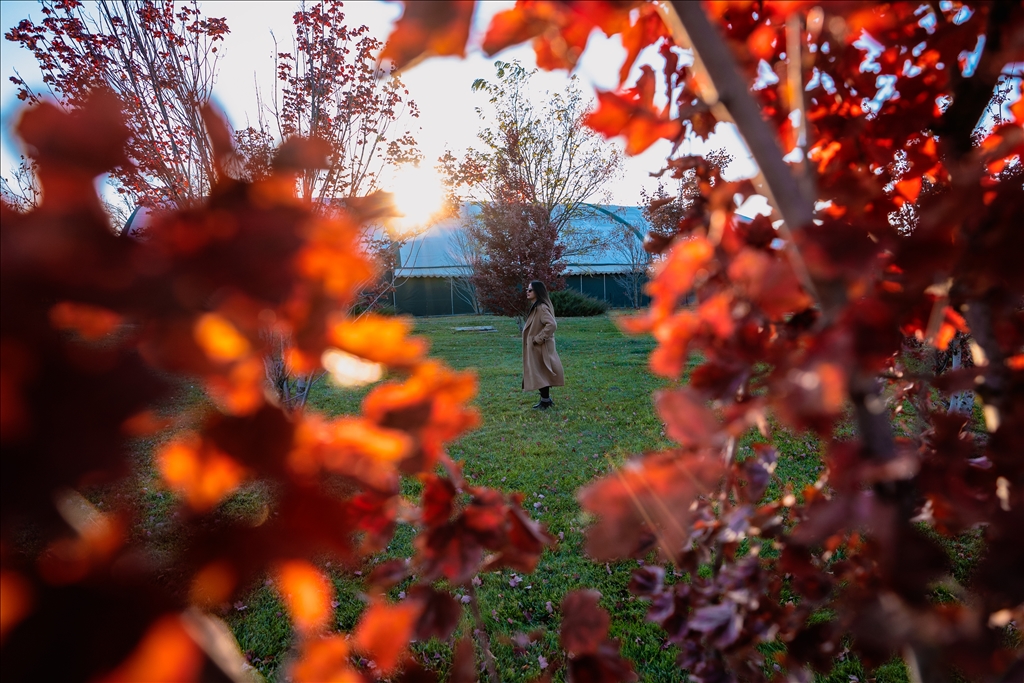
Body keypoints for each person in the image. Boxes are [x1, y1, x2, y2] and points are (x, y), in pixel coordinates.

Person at [522, 280, 564, 409]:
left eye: (530, 290)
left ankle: (546, 401)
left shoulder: (541, 307)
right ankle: (545, 400)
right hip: (537, 346)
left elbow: (552, 325)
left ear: (538, 292)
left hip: (541, 347)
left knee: (540, 372)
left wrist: (538, 339)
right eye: (527, 290)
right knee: (539, 372)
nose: (527, 292)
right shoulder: (537, 306)